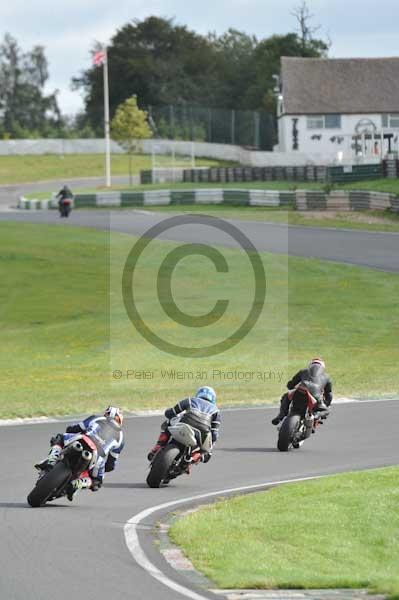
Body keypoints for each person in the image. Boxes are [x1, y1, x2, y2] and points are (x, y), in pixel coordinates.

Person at [35, 406, 124, 501]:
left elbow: (73, 428)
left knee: (59, 438)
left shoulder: (96, 418)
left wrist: (71, 430)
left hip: (82, 440)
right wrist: (96, 471)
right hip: (97, 456)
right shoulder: (121, 438)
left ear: (106, 414)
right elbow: (111, 465)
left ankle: (51, 460)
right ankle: (79, 483)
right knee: (97, 482)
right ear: (119, 419)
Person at [148, 386, 221, 466]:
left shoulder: (190, 400)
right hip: (201, 433)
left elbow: (172, 412)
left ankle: (158, 446)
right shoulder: (216, 410)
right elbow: (214, 433)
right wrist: (211, 444)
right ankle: (192, 458)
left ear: (198, 394)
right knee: (207, 453)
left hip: (185, 424)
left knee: (168, 422)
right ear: (213, 399)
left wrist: (168, 413)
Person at [271, 358, 333, 425]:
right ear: (323, 367)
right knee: (327, 410)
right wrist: (327, 404)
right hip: (315, 396)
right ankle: (316, 416)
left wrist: (291, 387)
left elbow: (291, 384)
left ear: (310, 365)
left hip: (300, 391)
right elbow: (329, 393)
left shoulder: (303, 371)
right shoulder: (327, 377)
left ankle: (280, 416)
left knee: (286, 396)